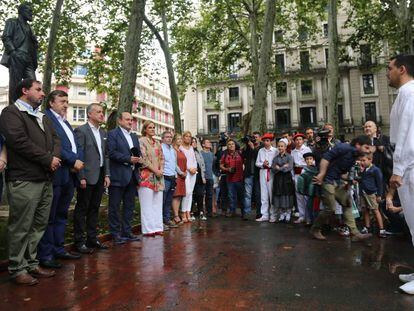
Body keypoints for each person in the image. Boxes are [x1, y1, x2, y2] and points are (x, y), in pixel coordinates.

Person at [0, 79, 60, 285]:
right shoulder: (11, 113)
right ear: (25, 91)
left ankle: (32, 264)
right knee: (21, 226)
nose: (43, 94)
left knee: (38, 225)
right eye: (38, 90)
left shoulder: (42, 116)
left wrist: (55, 158)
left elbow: (56, 139)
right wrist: (47, 159)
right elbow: (18, 141)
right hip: (24, 179)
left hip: (45, 178)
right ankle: (17, 268)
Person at [37, 90, 84, 270]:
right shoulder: (46, 118)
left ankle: (59, 248)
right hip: (55, 174)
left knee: (62, 214)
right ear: (51, 103)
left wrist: (77, 160)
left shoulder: (66, 122)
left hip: (69, 174)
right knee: (49, 216)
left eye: (67, 101)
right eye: (62, 101)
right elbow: (54, 145)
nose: (66, 104)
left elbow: (75, 145)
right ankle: (46, 254)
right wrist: (73, 160)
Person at [385, 54, 414, 294]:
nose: (387, 72)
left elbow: (407, 133)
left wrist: (398, 170)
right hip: (407, 164)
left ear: (402, 69)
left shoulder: (410, 93)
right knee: (413, 223)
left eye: (390, 68)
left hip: (410, 165)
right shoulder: (404, 94)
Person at [310, 135, 373, 242]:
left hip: (337, 181)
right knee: (330, 208)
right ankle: (315, 229)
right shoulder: (344, 147)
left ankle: (355, 233)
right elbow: (325, 158)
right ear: (358, 145)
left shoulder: (354, 156)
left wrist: (350, 180)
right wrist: (321, 174)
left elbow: (342, 173)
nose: (368, 151)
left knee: (347, 203)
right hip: (327, 180)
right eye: (366, 147)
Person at [74, 103, 110, 253]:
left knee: (95, 208)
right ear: (89, 114)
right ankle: (79, 241)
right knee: (82, 209)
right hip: (86, 176)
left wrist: (107, 174)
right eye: (98, 112)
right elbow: (78, 155)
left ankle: (92, 238)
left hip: (100, 175)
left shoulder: (103, 132)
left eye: (102, 112)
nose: (102, 114)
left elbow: (105, 155)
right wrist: (81, 176)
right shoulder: (81, 131)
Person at [107, 112, 142, 244]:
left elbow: (136, 153)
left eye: (131, 120)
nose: (130, 122)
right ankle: (115, 235)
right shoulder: (113, 134)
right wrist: (128, 158)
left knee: (129, 206)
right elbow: (111, 153)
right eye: (127, 119)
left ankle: (127, 232)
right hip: (118, 175)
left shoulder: (133, 136)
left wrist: (138, 160)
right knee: (115, 207)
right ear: (119, 121)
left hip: (132, 176)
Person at [1, 3, 38, 103]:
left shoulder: (29, 28)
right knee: (15, 84)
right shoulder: (12, 22)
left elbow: (32, 45)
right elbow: (6, 37)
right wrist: (13, 52)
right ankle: (13, 109)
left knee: (33, 84)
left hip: (28, 59)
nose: (31, 14)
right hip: (17, 55)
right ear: (21, 11)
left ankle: (30, 108)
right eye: (29, 11)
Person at [138, 121, 165, 236]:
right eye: (150, 128)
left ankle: (158, 227)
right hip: (146, 177)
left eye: (154, 127)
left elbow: (162, 158)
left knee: (157, 204)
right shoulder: (141, 141)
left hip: (158, 177)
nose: (153, 129)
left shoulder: (158, 143)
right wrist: (155, 170)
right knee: (146, 204)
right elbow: (143, 159)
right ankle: (148, 230)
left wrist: (161, 170)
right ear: (145, 129)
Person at [358, 153, 385, 238]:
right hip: (363, 192)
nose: (362, 162)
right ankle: (367, 227)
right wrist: (360, 173)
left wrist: (379, 195)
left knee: (375, 210)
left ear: (370, 160)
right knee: (365, 210)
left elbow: (380, 182)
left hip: (371, 193)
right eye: (361, 160)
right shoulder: (363, 170)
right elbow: (361, 179)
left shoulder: (375, 170)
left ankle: (381, 229)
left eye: (364, 160)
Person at [256, 133, 278, 222]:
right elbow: (257, 163)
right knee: (264, 195)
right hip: (263, 172)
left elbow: (277, 162)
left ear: (271, 141)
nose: (266, 142)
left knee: (271, 194)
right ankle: (264, 214)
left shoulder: (275, 151)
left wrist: (271, 165)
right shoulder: (261, 151)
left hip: (272, 172)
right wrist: (262, 164)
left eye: (268, 141)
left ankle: (273, 215)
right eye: (264, 141)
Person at [363, 120, 392, 189]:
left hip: (384, 173)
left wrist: (382, 148)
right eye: (365, 127)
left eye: (369, 126)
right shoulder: (362, 142)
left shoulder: (385, 139)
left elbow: (392, 151)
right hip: (368, 175)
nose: (367, 128)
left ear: (375, 129)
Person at [220, 139, 244, 218]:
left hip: (240, 178)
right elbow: (221, 165)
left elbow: (246, 161)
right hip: (229, 178)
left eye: (232, 144)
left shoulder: (240, 153)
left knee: (241, 195)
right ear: (227, 146)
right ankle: (232, 211)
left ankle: (243, 212)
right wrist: (227, 169)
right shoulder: (225, 154)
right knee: (231, 196)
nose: (231, 145)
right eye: (229, 144)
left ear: (235, 145)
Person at [291, 133, 312, 224]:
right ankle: (301, 215)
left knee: (306, 196)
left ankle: (309, 216)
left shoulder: (307, 149)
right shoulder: (293, 152)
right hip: (297, 174)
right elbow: (292, 165)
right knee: (299, 196)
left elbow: (311, 162)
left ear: (303, 140)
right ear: (294, 141)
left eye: (300, 139)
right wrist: (292, 176)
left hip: (305, 173)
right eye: (297, 140)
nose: (298, 141)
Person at [271, 138, 294, 222]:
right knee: (279, 194)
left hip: (287, 178)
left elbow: (290, 168)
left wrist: (279, 168)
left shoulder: (289, 157)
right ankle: (281, 213)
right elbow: (273, 169)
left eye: (282, 146)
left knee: (287, 194)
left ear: (285, 147)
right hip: (278, 179)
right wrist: (283, 167)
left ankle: (288, 212)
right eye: (279, 146)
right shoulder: (275, 158)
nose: (280, 148)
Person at [161, 131, 179, 230]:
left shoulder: (172, 149)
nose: (169, 139)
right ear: (162, 139)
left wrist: (179, 173)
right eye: (167, 137)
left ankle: (167, 220)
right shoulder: (160, 148)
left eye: (170, 137)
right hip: (164, 177)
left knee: (168, 201)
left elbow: (174, 164)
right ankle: (160, 222)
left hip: (172, 178)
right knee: (162, 201)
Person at [242, 132, 262, 219]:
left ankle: (259, 212)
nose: (255, 139)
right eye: (253, 137)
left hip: (258, 174)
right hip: (248, 173)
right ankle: (247, 213)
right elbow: (243, 156)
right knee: (247, 194)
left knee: (258, 194)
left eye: (256, 137)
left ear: (260, 138)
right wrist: (247, 146)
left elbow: (258, 157)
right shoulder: (248, 147)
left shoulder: (261, 148)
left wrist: (253, 147)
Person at [180, 131, 197, 222]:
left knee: (190, 193)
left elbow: (194, 160)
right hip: (186, 172)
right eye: (186, 136)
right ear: (183, 137)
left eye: (190, 136)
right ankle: (183, 212)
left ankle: (188, 211)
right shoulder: (180, 147)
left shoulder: (191, 148)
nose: (188, 138)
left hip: (193, 173)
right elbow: (182, 161)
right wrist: (189, 168)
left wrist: (194, 168)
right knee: (187, 192)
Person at [171, 134, 187, 225]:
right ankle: (176, 215)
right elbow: (173, 163)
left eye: (181, 139)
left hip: (183, 176)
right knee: (175, 195)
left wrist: (185, 172)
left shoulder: (181, 150)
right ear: (174, 140)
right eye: (178, 139)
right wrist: (181, 172)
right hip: (177, 175)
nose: (180, 140)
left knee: (180, 195)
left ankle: (177, 214)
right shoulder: (173, 150)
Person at [192, 137, 207, 220]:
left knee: (200, 194)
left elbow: (202, 165)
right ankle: (192, 212)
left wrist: (203, 177)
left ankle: (201, 211)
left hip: (199, 176)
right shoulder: (189, 151)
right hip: (192, 175)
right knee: (193, 195)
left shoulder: (198, 152)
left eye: (195, 142)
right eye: (193, 142)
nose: (194, 143)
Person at [201, 139, 215, 218]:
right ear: (203, 145)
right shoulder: (200, 154)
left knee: (209, 195)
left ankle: (209, 212)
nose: (210, 143)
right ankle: (201, 211)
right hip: (203, 177)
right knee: (201, 195)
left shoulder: (212, 154)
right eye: (208, 142)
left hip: (210, 177)